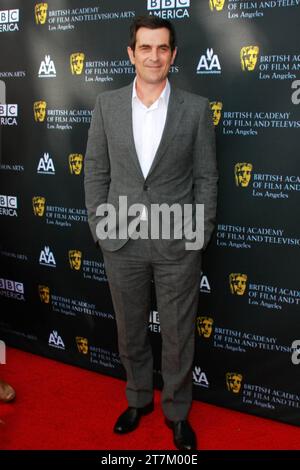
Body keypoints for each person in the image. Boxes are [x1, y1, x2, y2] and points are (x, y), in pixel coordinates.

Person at [84, 16, 218, 450]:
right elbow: (95, 172)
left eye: (162, 48)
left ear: (173, 55)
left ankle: (177, 413)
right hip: (120, 240)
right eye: (145, 48)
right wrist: (100, 227)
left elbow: (207, 178)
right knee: (130, 331)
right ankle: (138, 398)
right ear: (131, 53)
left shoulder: (196, 110)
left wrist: (198, 234)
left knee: (179, 334)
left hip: (177, 241)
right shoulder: (106, 105)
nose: (154, 56)